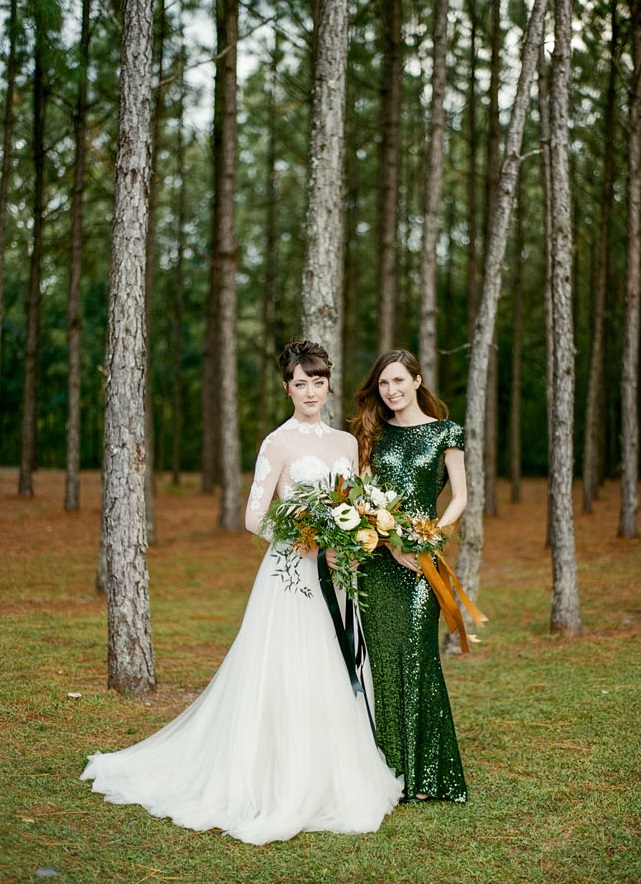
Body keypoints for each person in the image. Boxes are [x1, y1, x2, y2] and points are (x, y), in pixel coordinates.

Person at [81, 338, 403, 845]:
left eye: (319, 382)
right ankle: (278, 776)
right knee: (289, 672)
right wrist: (307, 533)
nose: (311, 392)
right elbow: (255, 517)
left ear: (327, 383)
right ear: (287, 387)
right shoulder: (277, 443)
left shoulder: (345, 443)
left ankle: (333, 774)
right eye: (301, 383)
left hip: (339, 576)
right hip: (292, 576)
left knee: (333, 671)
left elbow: (357, 502)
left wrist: (354, 533)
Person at [352, 349, 468, 804]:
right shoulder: (370, 434)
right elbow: (361, 498)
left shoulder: (445, 432)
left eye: (399, 380)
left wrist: (427, 539)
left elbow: (459, 497)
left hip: (423, 562)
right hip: (380, 562)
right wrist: (388, 542)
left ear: (417, 381)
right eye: (383, 384)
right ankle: (389, 772)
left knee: (419, 659)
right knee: (382, 663)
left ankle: (427, 776)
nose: (392, 390)